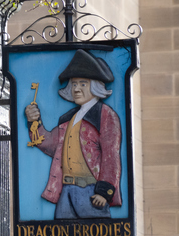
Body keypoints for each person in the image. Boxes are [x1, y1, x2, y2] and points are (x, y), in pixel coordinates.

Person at [24, 49, 122, 219]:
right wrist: (34, 122)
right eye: (74, 84)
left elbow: (111, 156)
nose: (77, 89)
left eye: (82, 84)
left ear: (95, 86)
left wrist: (104, 191)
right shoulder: (69, 118)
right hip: (66, 192)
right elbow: (48, 144)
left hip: (92, 193)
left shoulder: (105, 115)